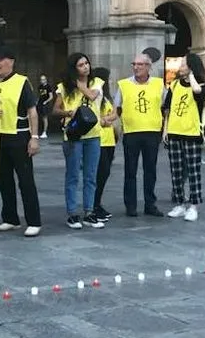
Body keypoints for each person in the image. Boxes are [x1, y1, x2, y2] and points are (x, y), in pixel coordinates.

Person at [0, 46, 42, 237]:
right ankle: (10, 218)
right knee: (4, 181)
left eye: (1, 59)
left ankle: (34, 221)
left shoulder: (21, 82)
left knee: (26, 181)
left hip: (19, 137)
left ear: (11, 62)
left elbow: (32, 111)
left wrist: (34, 138)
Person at [54, 53, 105, 230]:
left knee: (91, 175)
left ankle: (89, 212)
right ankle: (72, 213)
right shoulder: (63, 87)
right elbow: (55, 110)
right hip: (74, 135)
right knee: (73, 175)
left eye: (86, 63)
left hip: (93, 134)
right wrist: (68, 113)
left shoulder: (96, 82)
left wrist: (79, 85)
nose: (85, 67)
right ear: (74, 68)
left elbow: (92, 96)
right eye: (81, 65)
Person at [163, 53, 205, 222]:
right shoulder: (174, 85)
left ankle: (193, 205)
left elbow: (197, 92)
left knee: (193, 171)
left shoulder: (204, 85)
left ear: (192, 66)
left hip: (192, 132)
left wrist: (191, 76)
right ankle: (179, 203)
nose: (180, 67)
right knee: (176, 170)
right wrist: (165, 130)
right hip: (174, 131)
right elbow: (167, 109)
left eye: (184, 64)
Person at [115, 53, 166, 217]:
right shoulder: (124, 84)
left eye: (140, 64)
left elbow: (165, 106)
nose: (136, 67)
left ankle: (150, 204)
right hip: (131, 133)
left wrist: (165, 129)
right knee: (130, 170)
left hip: (152, 132)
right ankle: (130, 205)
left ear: (148, 67)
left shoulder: (159, 84)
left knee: (150, 170)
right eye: (134, 64)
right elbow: (117, 107)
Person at [92, 68, 117, 222]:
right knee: (100, 173)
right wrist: (103, 120)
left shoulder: (107, 97)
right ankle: (94, 205)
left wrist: (107, 119)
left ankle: (97, 203)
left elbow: (115, 113)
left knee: (105, 173)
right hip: (99, 139)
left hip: (109, 140)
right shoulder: (96, 96)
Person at [37, 75, 54, 139]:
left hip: (45, 104)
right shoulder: (40, 87)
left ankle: (45, 132)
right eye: (41, 79)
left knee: (45, 118)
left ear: (46, 80)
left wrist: (46, 102)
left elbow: (51, 97)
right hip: (40, 104)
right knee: (39, 117)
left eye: (43, 79)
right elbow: (40, 95)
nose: (42, 81)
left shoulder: (48, 87)